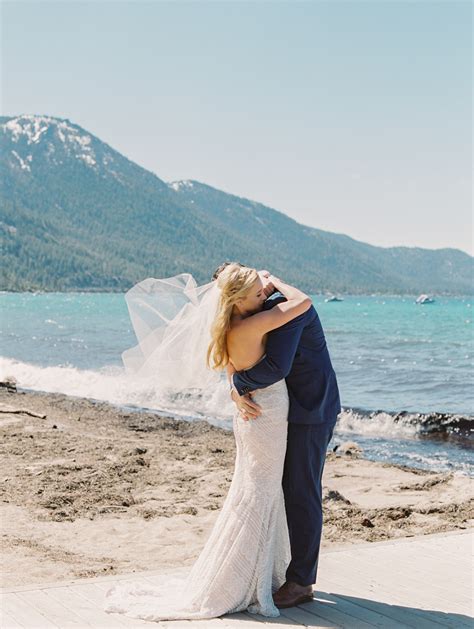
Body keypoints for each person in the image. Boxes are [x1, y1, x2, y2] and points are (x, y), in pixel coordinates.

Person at [104, 263, 312, 621]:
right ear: (239, 300)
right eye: (257, 291)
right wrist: (276, 279)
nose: (264, 292)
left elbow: (232, 369)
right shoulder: (254, 323)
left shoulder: (228, 327)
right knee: (261, 490)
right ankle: (243, 578)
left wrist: (235, 389)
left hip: (250, 412)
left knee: (251, 488)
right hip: (267, 413)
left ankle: (251, 572)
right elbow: (304, 302)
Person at [225, 263, 341, 609]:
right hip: (286, 409)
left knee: (301, 491)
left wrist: (237, 387)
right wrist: (234, 385)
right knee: (281, 486)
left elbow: (276, 367)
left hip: (311, 409)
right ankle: (282, 570)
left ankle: (302, 582)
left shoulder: (283, 308)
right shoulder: (262, 308)